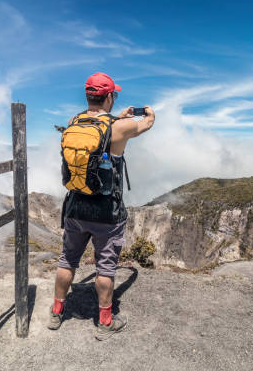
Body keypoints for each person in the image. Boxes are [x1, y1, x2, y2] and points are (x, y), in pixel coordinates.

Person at [48, 72, 155, 340]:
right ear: (109, 96)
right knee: (105, 268)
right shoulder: (120, 127)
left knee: (68, 260)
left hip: (74, 206)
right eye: (113, 95)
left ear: (87, 95)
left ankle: (56, 311)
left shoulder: (74, 121)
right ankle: (105, 320)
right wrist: (147, 113)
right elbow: (147, 123)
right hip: (107, 212)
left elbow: (99, 125)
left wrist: (117, 114)